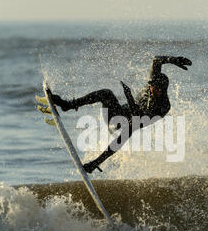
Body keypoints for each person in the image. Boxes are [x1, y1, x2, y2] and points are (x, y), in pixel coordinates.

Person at [42, 56, 192, 173]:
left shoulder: (162, 107)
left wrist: (129, 97)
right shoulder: (152, 84)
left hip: (124, 124)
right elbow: (157, 60)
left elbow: (137, 116)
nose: (151, 89)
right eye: (151, 85)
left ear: (162, 89)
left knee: (128, 130)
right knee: (106, 93)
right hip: (116, 114)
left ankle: (95, 163)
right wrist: (173, 60)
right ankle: (69, 105)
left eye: (155, 88)